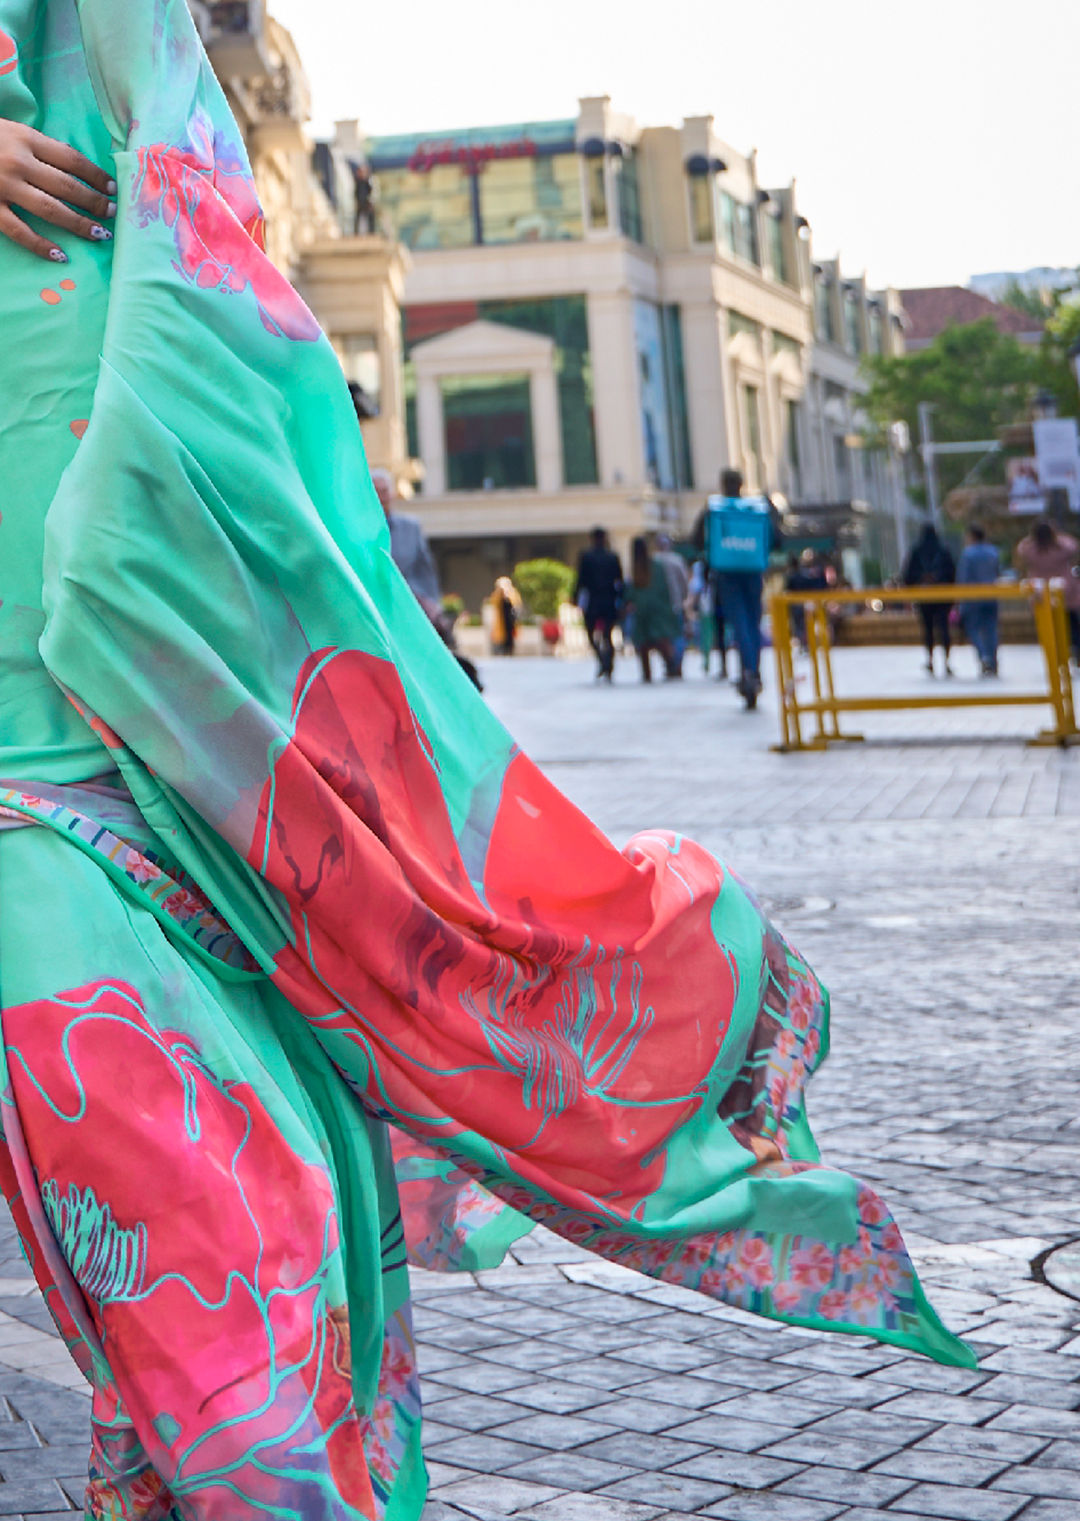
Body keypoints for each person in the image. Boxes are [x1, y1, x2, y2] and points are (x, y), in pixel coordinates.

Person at [0, 8, 971, 1516]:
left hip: (154, 656)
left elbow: (195, 197)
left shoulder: (115, 57)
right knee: (193, 1240)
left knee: (272, 1217)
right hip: (43, 735)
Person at [367, 464, 482, 690]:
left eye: (384, 490)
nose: (381, 497)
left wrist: (431, 604)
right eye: (375, 491)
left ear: (392, 493)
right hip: (375, 605)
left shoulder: (411, 527)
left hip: (411, 602)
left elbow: (425, 571)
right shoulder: (358, 528)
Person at [713, 469, 767, 706]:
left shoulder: (715, 509)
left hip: (727, 575)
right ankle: (753, 669)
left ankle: (747, 671)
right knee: (753, 623)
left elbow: (696, 539)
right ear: (742, 484)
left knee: (739, 624)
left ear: (723, 485)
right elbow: (777, 538)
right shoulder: (755, 509)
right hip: (753, 573)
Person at [1016, 517, 1080, 663]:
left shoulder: (1030, 550)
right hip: (1065, 590)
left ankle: (1055, 655)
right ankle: (1076, 651)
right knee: (1072, 625)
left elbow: (1021, 548)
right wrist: (1057, 534)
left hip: (1041, 591)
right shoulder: (1061, 548)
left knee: (1048, 627)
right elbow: (1073, 544)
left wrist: (1031, 537)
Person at [623, 537, 680, 681]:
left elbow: (632, 591)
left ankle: (649, 672)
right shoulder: (656, 566)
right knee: (660, 640)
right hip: (656, 608)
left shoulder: (638, 568)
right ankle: (672, 666)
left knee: (646, 643)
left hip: (646, 610)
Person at [903, 523, 957, 676]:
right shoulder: (943, 551)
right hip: (942, 597)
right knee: (944, 628)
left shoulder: (916, 551)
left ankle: (930, 660)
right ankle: (946, 661)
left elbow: (907, 575)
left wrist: (922, 579)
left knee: (928, 630)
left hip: (924, 597)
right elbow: (952, 573)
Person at [574, 526, 623, 681]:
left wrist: (575, 598)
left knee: (591, 634)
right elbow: (620, 581)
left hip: (593, 600)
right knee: (608, 635)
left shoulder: (586, 556)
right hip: (608, 599)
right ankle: (608, 664)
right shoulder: (612, 557)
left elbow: (581, 580)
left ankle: (603, 660)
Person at [956, 524, 1001, 677]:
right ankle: (993, 659)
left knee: (973, 628)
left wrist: (960, 598)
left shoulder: (968, 553)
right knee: (991, 629)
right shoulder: (993, 551)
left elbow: (963, 577)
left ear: (972, 536)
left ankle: (984, 656)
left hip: (973, 597)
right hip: (991, 594)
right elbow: (997, 572)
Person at [653, 532, 690, 676]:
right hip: (675, 603)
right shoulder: (677, 560)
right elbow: (684, 583)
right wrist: (683, 598)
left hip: (660, 605)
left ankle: (671, 663)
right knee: (677, 635)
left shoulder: (655, 561)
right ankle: (676, 663)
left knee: (664, 636)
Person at [489, 575, 521, 655]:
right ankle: (501, 649)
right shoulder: (497, 596)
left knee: (510, 635)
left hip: (510, 619)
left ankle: (510, 649)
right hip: (501, 620)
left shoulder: (512, 594)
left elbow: (516, 605)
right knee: (501, 637)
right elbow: (494, 605)